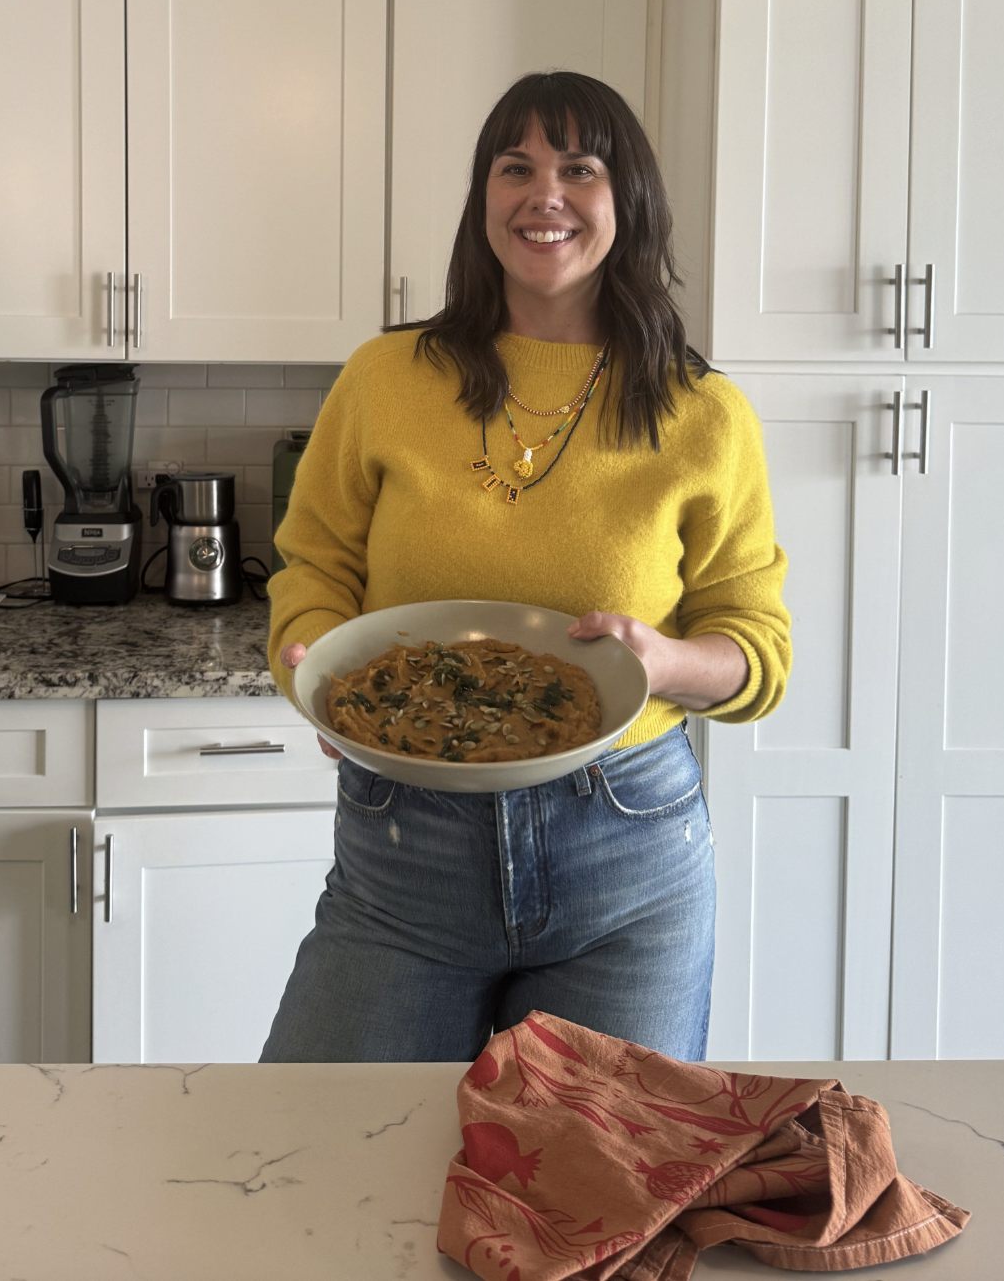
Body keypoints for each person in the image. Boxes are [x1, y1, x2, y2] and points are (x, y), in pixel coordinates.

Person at [261, 71, 791, 1064]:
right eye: (517, 168)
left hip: (625, 851)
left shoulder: (702, 414)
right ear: (484, 200)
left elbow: (755, 650)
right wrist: (314, 672)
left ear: (624, 203)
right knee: (321, 1159)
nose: (543, 192)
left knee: (592, 1194)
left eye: (578, 168)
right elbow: (314, 562)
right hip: (404, 850)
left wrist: (660, 660)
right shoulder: (385, 378)